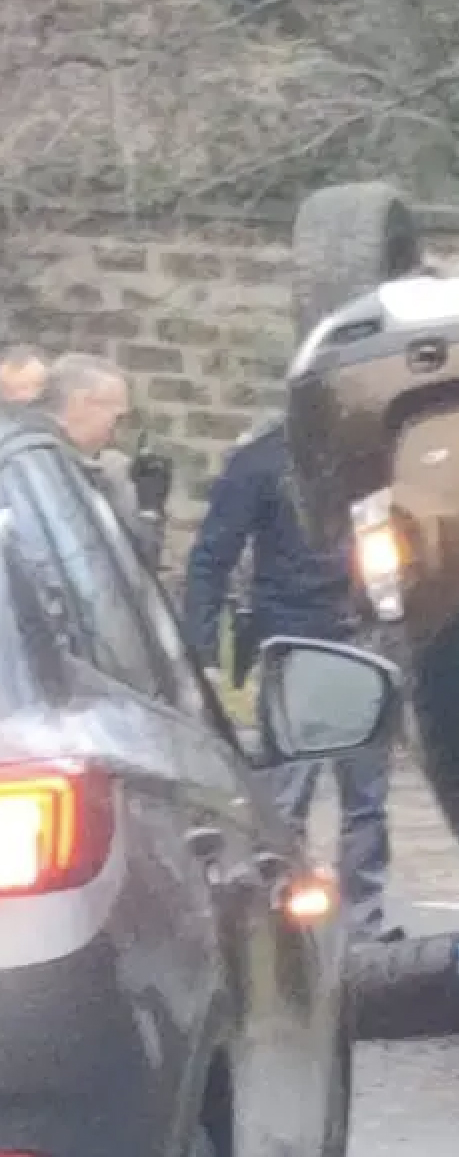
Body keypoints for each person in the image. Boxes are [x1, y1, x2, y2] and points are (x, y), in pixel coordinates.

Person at [182, 412, 399, 943]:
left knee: (365, 799)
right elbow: (212, 555)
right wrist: (203, 649)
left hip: (364, 634)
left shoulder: (376, 459)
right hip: (296, 638)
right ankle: (280, 917)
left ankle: (361, 924)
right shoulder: (262, 459)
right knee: (286, 798)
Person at [30, 353, 165, 571]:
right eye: (116, 418)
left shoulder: (68, 464)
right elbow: (122, 565)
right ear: (82, 403)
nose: (117, 433)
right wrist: (148, 516)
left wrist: (148, 508)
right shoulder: (37, 467)